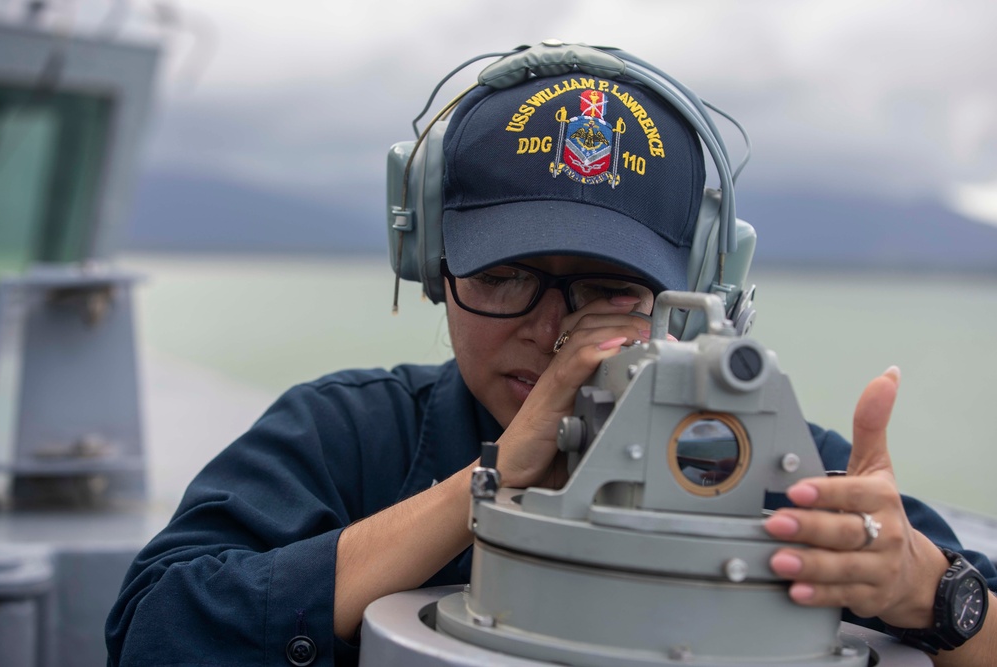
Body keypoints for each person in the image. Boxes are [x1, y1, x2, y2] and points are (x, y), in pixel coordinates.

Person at [105, 43, 996, 666]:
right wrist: (487, 482)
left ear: (695, 295)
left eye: (610, 291)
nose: (557, 334)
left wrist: (926, 588)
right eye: (506, 278)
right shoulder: (345, 433)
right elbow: (156, 635)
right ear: (431, 266)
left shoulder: (767, 466)